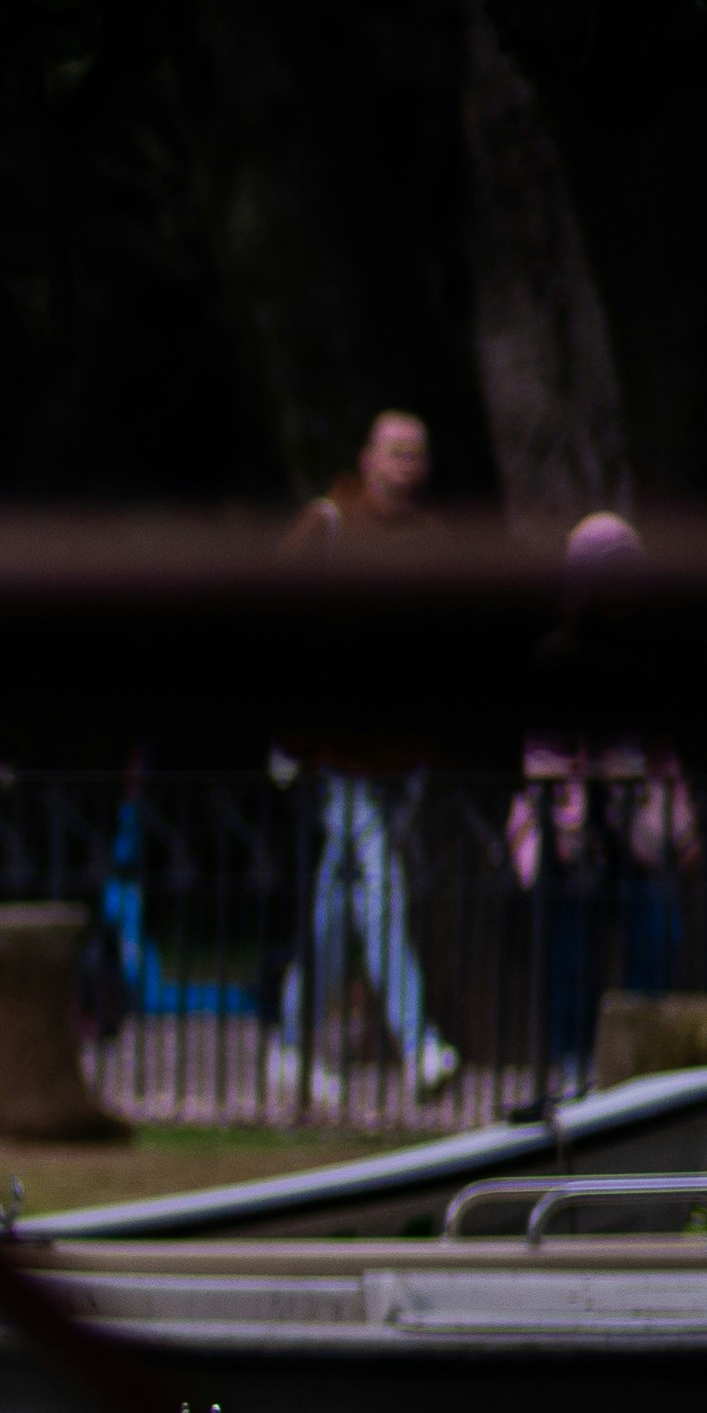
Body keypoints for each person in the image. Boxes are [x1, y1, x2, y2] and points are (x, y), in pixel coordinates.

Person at [281, 410, 456, 1095]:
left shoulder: (435, 541)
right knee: (383, 891)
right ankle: (421, 1045)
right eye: (394, 452)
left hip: (404, 753)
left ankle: (290, 1040)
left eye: (416, 453)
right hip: (338, 754)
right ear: (367, 457)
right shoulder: (327, 525)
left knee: (338, 901)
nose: (405, 465)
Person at [512, 508, 689, 1097]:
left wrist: (665, 807)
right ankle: (572, 1063)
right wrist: (568, 807)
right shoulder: (557, 656)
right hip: (573, 822)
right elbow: (541, 750)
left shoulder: (651, 658)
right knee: (573, 950)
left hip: (637, 819)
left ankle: (641, 1063)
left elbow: (662, 749)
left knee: (655, 938)